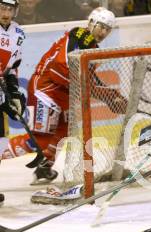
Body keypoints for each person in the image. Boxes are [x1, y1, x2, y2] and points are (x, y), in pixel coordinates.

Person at [26, 7, 116, 185]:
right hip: (46, 89)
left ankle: (45, 166)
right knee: (38, 141)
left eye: (108, 29)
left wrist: (111, 96)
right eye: (101, 26)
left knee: (65, 128)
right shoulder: (79, 35)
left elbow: (90, 80)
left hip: (62, 93)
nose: (103, 32)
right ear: (91, 23)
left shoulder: (91, 47)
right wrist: (107, 96)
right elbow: (61, 67)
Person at [0, 0, 26, 203]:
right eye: (2, 7)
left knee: (0, 141)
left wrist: (15, 94)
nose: (6, 12)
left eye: (10, 9)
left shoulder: (18, 34)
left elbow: (10, 69)